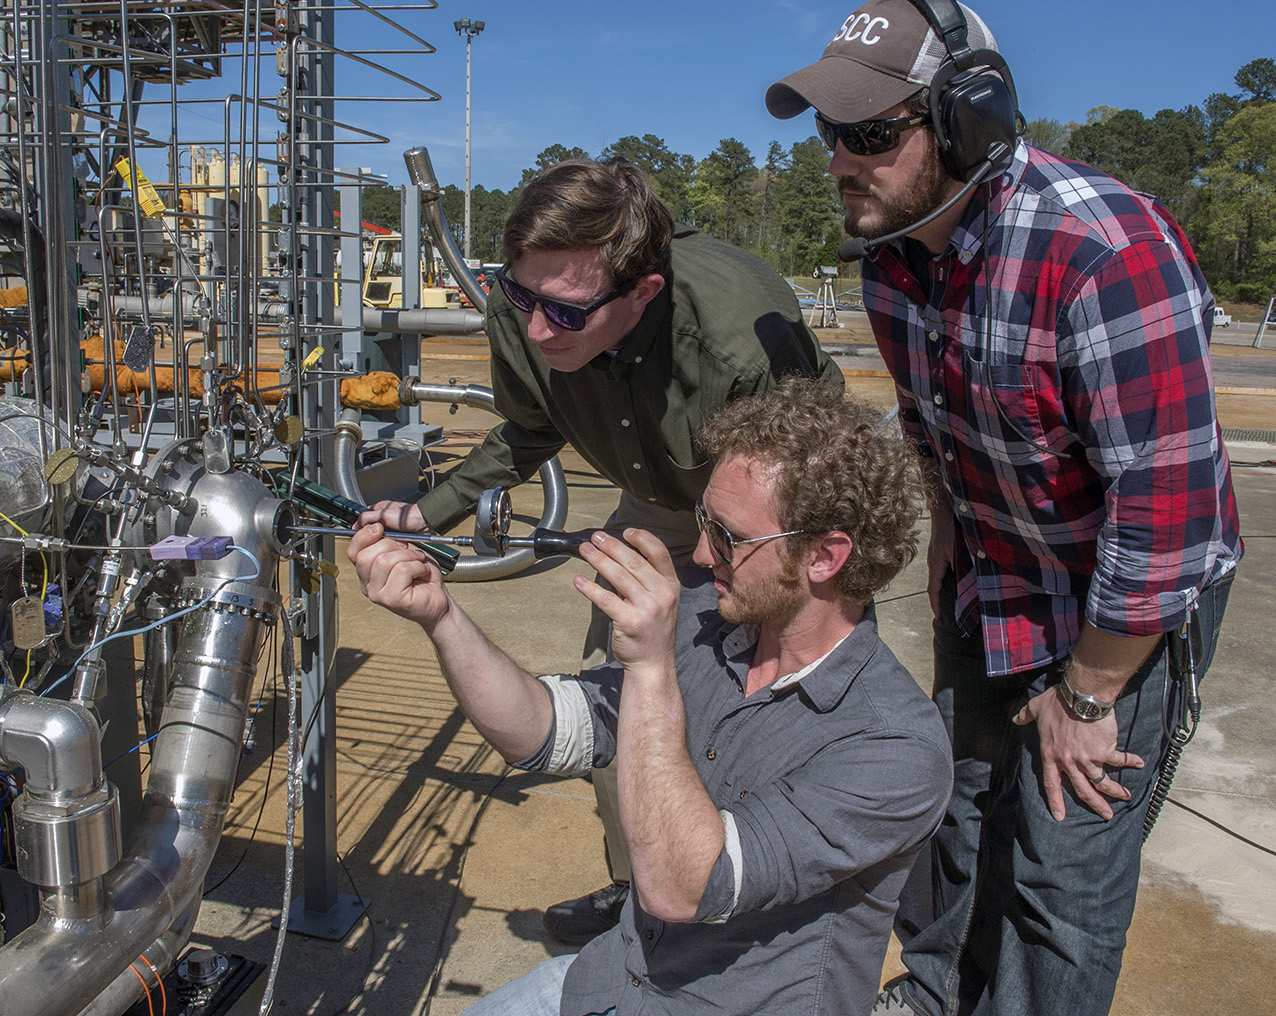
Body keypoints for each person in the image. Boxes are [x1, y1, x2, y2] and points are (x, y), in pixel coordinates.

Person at [764, 0, 1242, 1016]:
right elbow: (929, 411)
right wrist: (947, 519)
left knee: (1060, 868)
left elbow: (1168, 516)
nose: (841, 158)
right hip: (995, 563)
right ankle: (939, 993)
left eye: (870, 131)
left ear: (967, 121)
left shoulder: (1101, 252)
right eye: (830, 135)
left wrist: (1088, 695)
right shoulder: (895, 261)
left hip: (1124, 598)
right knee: (956, 803)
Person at [349, 376, 952, 1015]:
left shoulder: (895, 747)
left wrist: (652, 668)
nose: (699, 552)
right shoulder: (708, 623)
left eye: (728, 537)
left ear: (825, 558)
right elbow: (542, 732)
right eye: (703, 524)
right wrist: (441, 617)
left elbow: (686, 886)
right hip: (616, 978)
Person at [360, 157, 839, 944]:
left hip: (778, 512)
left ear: (643, 291)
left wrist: (755, 606)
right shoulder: (529, 300)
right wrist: (428, 511)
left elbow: (809, 489)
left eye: (567, 313)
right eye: (524, 299)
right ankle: (641, 894)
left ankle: (764, 921)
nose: (538, 328)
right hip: (657, 503)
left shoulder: (736, 342)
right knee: (621, 711)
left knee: (771, 714)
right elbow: (528, 429)